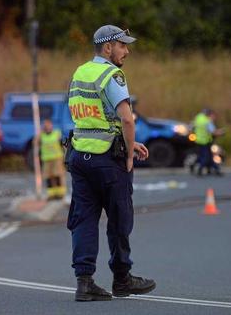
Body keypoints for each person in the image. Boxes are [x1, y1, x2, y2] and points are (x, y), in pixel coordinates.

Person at [67, 25, 156, 302]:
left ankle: (84, 282)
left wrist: (128, 142)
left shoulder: (81, 71)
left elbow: (92, 118)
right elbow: (127, 118)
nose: (126, 51)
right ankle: (122, 278)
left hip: (80, 156)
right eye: (122, 45)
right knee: (119, 218)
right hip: (108, 160)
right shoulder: (112, 74)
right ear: (108, 48)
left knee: (83, 219)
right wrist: (129, 154)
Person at [191, 108, 224, 176]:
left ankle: (215, 170)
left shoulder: (198, 118)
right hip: (205, 141)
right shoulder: (207, 121)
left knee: (205, 156)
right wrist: (221, 132)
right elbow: (213, 132)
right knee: (206, 157)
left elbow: (192, 126)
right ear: (209, 114)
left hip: (198, 140)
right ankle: (200, 170)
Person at [39, 119, 66, 200]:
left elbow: (62, 144)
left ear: (51, 125)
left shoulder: (56, 133)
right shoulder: (42, 135)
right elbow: (36, 143)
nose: (47, 127)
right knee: (48, 177)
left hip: (57, 158)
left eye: (48, 125)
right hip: (47, 159)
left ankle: (60, 193)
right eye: (45, 125)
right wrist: (39, 132)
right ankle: (51, 194)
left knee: (57, 176)